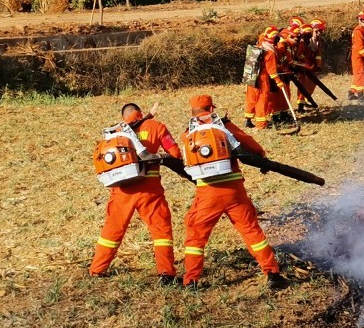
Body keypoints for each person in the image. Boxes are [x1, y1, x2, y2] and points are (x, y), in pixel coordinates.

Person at [181, 94, 288, 290]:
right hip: (234, 192)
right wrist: (262, 158)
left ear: (192, 112)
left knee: (196, 237)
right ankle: (273, 273)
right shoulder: (224, 126)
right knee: (251, 231)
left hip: (207, 193)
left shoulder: (189, 132)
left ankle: (191, 281)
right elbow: (250, 144)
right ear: (212, 108)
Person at [89, 103, 182, 286]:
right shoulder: (156, 127)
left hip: (122, 190)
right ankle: (166, 273)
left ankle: (96, 269)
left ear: (125, 117)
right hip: (150, 190)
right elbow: (175, 154)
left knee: (112, 231)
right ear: (140, 113)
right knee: (160, 231)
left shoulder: (115, 133)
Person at [244, 26, 284, 129]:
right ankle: (261, 124)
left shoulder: (259, 46)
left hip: (252, 77)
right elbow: (272, 71)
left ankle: (247, 120)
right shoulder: (270, 52)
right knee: (262, 100)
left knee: (251, 98)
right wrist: (278, 82)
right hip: (262, 79)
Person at [295, 20, 325, 113]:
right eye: (317, 31)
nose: (319, 33)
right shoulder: (304, 40)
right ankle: (300, 104)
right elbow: (299, 54)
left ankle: (307, 99)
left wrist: (318, 64)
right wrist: (306, 64)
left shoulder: (318, 40)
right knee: (302, 84)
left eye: (321, 31)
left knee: (312, 83)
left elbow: (318, 53)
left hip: (312, 65)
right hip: (303, 65)